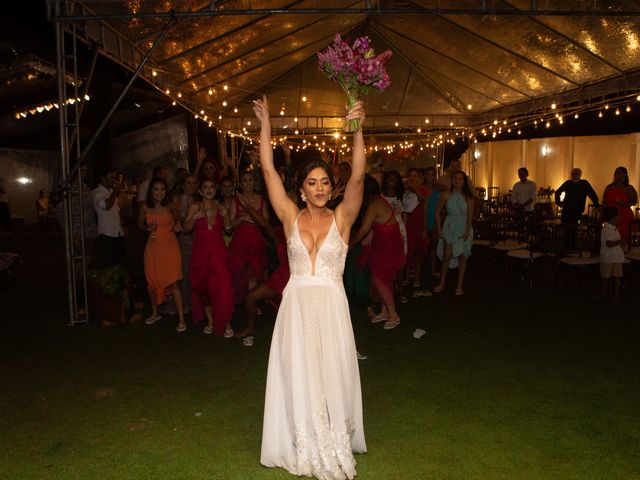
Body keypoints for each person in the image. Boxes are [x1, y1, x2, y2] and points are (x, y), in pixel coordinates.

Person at [254, 95, 367, 479]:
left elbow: (358, 177)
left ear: (331, 188)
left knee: (330, 372)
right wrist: (266, 125)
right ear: (301, 190)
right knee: (300, 373)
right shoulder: (289, 216)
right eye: (311, 183)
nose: (319, 188)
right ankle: (304, 439)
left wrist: (358, 129)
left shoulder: (344, 217)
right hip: (297, 308)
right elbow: (268, 172)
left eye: (324, 183)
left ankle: (334, 438)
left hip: (332, 306)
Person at [350, 175, 406, 329]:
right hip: (383, 245)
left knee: (379, 278)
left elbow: (363, 230)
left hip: (388, 246)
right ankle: (384, 311)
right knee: (383, 279)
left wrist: (349, 244)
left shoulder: (375, 204)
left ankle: (394, 315)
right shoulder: (378, 201)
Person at [183, 179, 234, 336]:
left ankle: (227, 323)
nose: (209, 189)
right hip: (200, 254)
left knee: (222, 287)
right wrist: (194, 217)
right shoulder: (194, 206)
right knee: (203, 288)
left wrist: (226, 218)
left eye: (212, 187)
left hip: (218, 252)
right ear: (200, 191)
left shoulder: (221, 207)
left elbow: (228, 231)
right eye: (205, 187)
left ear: (216, 189)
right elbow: (186, 228)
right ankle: (211, 321)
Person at [137, 178, 187, 331]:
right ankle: (154, 313)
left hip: (170, 247)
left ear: (166, 192)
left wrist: (178, 224)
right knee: (151, 283)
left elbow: (181, 219)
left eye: (162, 190)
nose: (159, 193)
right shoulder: (145, 207)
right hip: (152, 249)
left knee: (174, 283)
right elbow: (139, 224)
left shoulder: (170, 206)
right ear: (151, 192)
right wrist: (147, 228)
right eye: (156, 190)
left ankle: (181, 319)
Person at [228, 171, 269, 304]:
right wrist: (241, 219)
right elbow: (229, 225)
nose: (248, 183)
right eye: (244, 180)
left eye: (250, 180)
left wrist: (257, 220)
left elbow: (266, 223)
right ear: (240, 184)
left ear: (254, 182)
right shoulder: (235, 201)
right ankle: (246, 301)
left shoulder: (261, 199)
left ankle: (252, 302)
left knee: (255, 273)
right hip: (240, 241)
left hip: (256, 241)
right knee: (241, 273)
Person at [434, 170, 475, 296]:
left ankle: (459, 285)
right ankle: (442, 282)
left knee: (463, 257)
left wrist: (467, 232)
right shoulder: (446, 194)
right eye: (455, 178)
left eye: (461, 179)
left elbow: (470, 216)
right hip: (450, 227)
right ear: (452, 180)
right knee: (447, 256)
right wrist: (440, 229)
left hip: (463, 228)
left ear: (464, 181)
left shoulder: (468, 197)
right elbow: (437, 212)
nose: (458, 181)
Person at [92, 168, 126, 268]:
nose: (114, 181)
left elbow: (117, 210)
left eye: (115, 178)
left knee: (120, 263)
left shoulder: (111, 191)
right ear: (103, 179)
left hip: (118, 232)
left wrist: (123, 225)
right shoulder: (97, 192)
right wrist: (115, 192)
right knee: (108, 265)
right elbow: (106, 206)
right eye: (111, 178)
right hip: (106, 233)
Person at [602, 166, 637, 248]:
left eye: (619, 172)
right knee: (611, 236)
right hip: (610, 216)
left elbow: (634, 201)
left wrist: (623, 203)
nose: (616, 174)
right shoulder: (609, 187)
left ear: (624, 175)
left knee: (623, 237)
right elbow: (604, 202)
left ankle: (622, 255)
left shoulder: (629, 188)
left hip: (624, 215)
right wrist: (603, 214)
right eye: (615, 172)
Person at [596, 207, 625, 305]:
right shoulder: (606, 229)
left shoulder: (615, 229)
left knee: (617, 276)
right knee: (605, 277)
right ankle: (604, 294)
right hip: (608, 258)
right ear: (614, 218)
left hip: (616, 257)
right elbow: (608, 243)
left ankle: (615, 295)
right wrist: (620, 242)